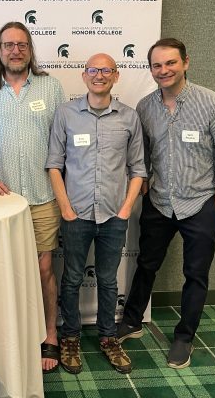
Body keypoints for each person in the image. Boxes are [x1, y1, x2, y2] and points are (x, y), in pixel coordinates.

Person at [117, 38, 215, 369]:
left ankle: (184, 337)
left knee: (195, 274)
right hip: (159, 201)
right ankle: (131, 322)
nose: (164, 70)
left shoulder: (212, 104)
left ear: (186, 62)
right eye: (157, 65)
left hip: (201, 204)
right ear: (151, 70)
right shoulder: (145, 107)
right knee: (147, 263)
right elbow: (141, 156)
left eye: (170, 63)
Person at [0, 22, 65, 373]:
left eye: (22, 44)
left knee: (43, 269)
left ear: (30, 50)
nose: (15, 50)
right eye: (8, 45)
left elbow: (64, 139)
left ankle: (49, 334)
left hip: (41, 198)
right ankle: (2, 339)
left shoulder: (51, 88)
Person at [46, 53, 146, 374]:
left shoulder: (129, 118)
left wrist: (126, 207)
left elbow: (138, 169)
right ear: (84, 75)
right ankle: (71, 336)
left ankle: (107, 337)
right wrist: (65, 207)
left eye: (106, 70)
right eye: (93, 70)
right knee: (72, 278)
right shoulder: (66, 114)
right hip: (75, 214)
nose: (99, 75)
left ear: (115, 76)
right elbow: (54, 164)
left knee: (107, 281)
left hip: (115, 215)